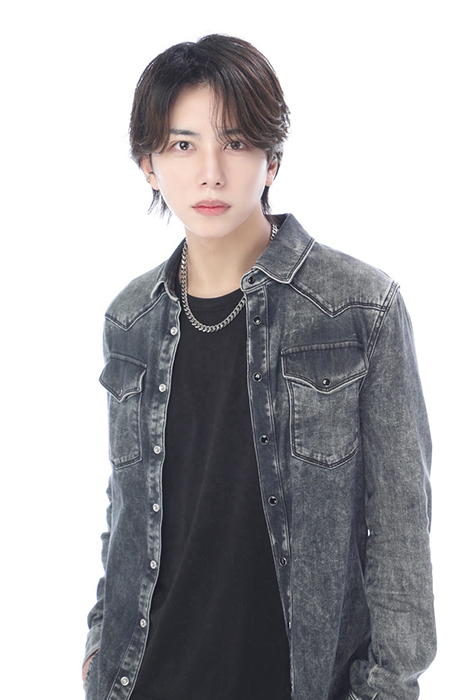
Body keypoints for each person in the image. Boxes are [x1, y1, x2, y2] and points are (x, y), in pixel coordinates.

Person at [82, 34, 436, 700]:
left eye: (236, 141)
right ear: (149, 165)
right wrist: (100, 645)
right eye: (182, 145)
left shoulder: (360, 307)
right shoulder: (129, 318)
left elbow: (400, 528)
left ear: (272, 159)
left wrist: (387, 688)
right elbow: (127, 506)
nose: (210, 173)